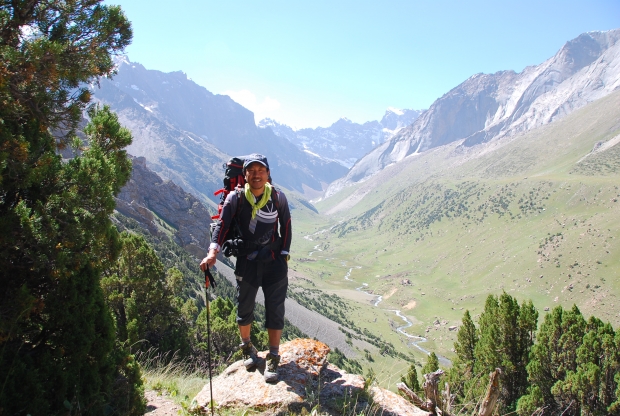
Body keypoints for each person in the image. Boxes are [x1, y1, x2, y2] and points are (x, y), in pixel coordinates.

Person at [200, 154, 292, 382]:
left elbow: (287, 224)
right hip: (247, 260)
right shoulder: (236, 198)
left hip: (273, 260)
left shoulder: (278, 197)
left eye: (261, 170)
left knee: (275, 308)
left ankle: (273, 355)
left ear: (268, 174)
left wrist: (283, 254)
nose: (257, 174)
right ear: (245, 175)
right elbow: (222, 224)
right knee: (245, 306)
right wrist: (213, 252)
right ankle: (246, 347)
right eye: (252, 171)